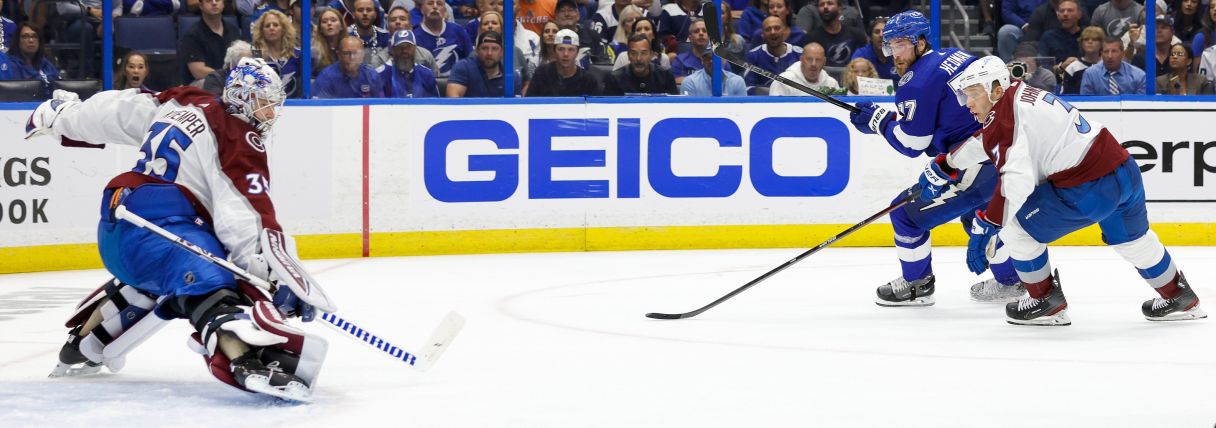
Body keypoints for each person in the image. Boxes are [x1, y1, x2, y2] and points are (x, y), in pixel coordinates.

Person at [29, 57, 335, 400]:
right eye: (265, 102)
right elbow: (246, 217)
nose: (270, 113)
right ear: (242, 98)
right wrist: (280, 275)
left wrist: (61, 116)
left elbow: (117, 111)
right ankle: (247, 361)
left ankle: (82, 346)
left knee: (172, 276)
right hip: (155, 228)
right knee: (215, 282)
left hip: (120, 230)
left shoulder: (184, 101)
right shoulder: (238, 138)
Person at [925, 55, 1206, 325]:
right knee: (1134, 240)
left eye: (974, 94)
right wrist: (948, 163)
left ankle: (1045, 302)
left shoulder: (1005, 119)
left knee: (1014, 226)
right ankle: (1180, 297)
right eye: (966, 95)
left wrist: (988, 224)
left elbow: (1016, 183)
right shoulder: (1019, 95)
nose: (968, 103)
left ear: (996, 89)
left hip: (1089, 188)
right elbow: (987, 138)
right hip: (1124, 170)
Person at [847, 11, 1025, 306]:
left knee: (905, 215)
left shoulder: (914, 82)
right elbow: (938, 117)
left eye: (900, 44)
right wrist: (888, 119)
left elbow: (913, 143)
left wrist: (880, 122)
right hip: (998, 152)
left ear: (920, 42)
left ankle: (917, 285)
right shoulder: (954, 55)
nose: (894, 54)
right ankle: (1012, 280)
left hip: (972, 162)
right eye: (889, 46)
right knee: (978, 217)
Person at [179, 0, 243, 85]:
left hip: (230, 79)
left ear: (223, 4)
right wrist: (228, 75)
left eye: (218, 0)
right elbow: (198, 72)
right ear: (201, 6)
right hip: (202, 82)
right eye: (209, 0)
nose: (214, 3)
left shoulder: (233, 30)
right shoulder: (192, 35)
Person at [526, 28, 601, 96]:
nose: (566, 54)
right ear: (554, 51)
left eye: (571, 50)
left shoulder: (588, 81)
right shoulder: (541, 74)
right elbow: (530, 103)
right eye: (561, 49)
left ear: (577, 52)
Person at [447, 31, 522, 97]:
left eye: (494, 49)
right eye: (484, 48)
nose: (489, 53)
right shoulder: (463, 68)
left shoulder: (512, 76)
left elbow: (516, 106)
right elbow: (453, 100)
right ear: (477, 50)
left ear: (501, 52)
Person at [602, 33, 678, 95]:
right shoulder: (615, 79)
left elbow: (674, 105)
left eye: (643, 53)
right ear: (628, 56)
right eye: (633, 53)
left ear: (651, 55)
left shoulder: (665, 76)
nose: (638, 58)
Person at [744, 16, 802, 93]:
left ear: (784, 31)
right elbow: (748, 87)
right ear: (762, 34)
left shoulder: (799, 54)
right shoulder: (754, 55)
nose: (773, 32)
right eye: (768, 29)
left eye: (777, 28)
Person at [416, 0, 473, 76]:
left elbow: (471, 60)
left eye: (439, 4)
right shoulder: (415, 36)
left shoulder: (458, 30)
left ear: (445, 10)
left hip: (457, 81)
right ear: (422, 9)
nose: (435, 7)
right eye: (430, 3)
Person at [314, 36, 385, 98]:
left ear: (363, 55)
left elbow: (381, 104)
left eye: (356, 53)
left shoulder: (371, 76)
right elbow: (320, 107)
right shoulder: (326, 77)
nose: (352, 57)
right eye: (346, 53)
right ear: (339, 55)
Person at [253, 10, 303, 98]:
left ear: (284, 29)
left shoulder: (298, 55)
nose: (271, 28)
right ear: (261, 31)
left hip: (294, 104)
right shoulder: (255, 57)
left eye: (275, 25)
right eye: (267, 26)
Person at [2, 23, 59, 98]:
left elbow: (59, 86)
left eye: (34, 36)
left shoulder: (46, 63)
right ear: (18, 41)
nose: (31, 40)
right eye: (25, 37)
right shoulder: (10, 65)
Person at [804, 0, 866, 67]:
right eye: (821, 5)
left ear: (840, 9)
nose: (825, 7)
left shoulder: (856, 35)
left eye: (830, 3)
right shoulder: (811, 38)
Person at [378, 29, 439, 97]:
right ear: (393, 49)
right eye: (400, 47)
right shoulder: (381, 75)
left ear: (415, 48)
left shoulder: (426, 74)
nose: (404, 51)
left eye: (408, 46)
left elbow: (436, 102)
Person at [1080, 36, 1146, 94]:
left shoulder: (1138, 76)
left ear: (1123, 54)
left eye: (1114, 51)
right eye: (1106, 52)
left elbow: (1140, 103)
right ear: (1101, 54)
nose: (1110, 56)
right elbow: (1086, 102)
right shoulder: (1090, 74)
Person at [769, 42, 840, 95]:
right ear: (801, 60)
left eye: (818, 60)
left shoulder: (832, 84)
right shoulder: (783, 81)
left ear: (824, 62)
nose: (813, 64)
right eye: (809, 59)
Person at [1056, 25, 1104, 93]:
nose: (1090, 42)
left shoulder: (1108, 66)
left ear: (1102, 43)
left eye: (1094, 39)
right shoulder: (1073, 67)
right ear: (1081, 43)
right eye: (1086, 39)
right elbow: (1066, 94)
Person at [680, 48, 748, 96]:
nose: (711, 61)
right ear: (702, 61)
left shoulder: (737, 81)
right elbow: (689, 110)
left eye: (716, 57)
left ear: (724, 60)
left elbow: (742, 109)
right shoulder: (690, 82)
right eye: (707, 58)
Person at [851, 16, 898, 81]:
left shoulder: (900, 54)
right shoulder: (861, 55)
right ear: (870, 37)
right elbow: (856, 81)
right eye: (877, 32)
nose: (881, 35)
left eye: (885, 32)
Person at [671, 19, 709, 84]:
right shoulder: (680, 60)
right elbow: (676, 81)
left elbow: (727, 80)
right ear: (690, 38)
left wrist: (688, 80)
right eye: (696, 31)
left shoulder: (719, 60)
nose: (701, 33)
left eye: (704, 31)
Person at [312, 8, 346, 75]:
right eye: (324, 22)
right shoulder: (314, 53)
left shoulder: (350, 50)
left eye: (333, 20)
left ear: (341, 26)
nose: (329, 23)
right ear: (320, 29)